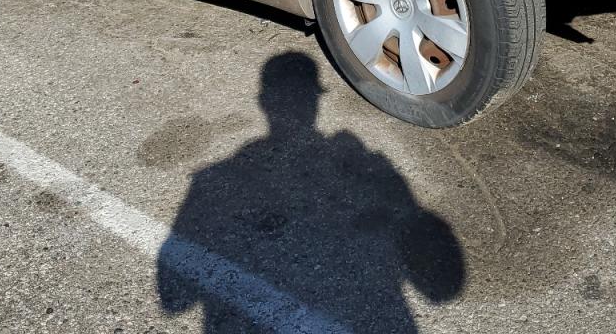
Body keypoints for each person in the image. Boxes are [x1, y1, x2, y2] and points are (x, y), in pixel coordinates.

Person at [157, 52, 464, 332]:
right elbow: (440, 288)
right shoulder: (367, 169)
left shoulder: (213, 180)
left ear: (264, 102)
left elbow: (174, 300)